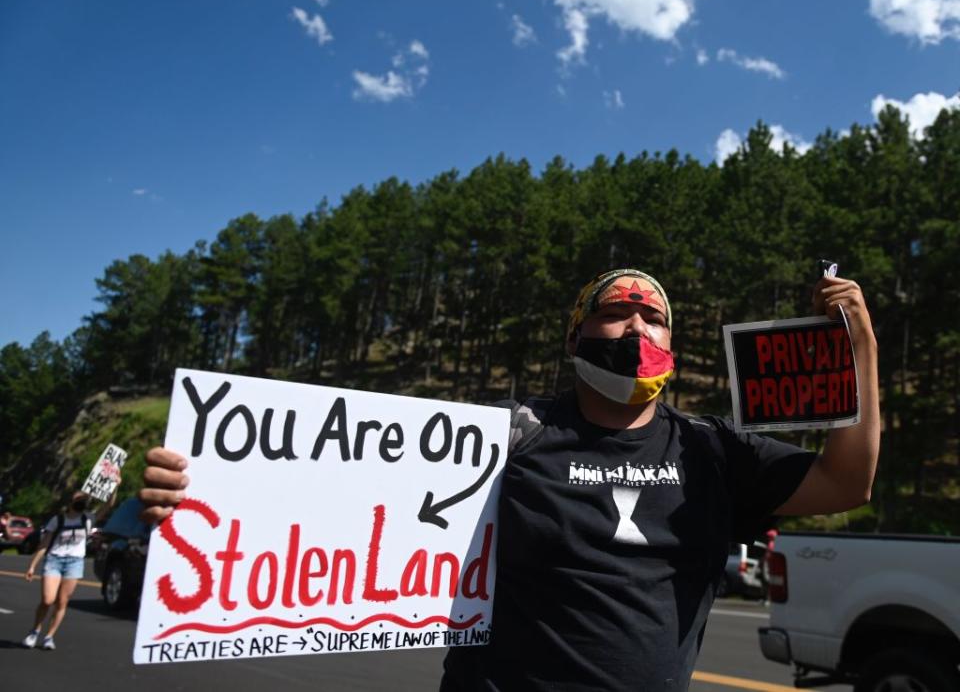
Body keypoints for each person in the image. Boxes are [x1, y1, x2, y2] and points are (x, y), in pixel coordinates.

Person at [140, 268, 880, 691]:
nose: (636, 326)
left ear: (673, 344)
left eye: (652, 317)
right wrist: (202, 491)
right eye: (616, 312)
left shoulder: (713, 450)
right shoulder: (504, 435)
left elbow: (847, 480)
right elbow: (334, 497)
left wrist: (860, 347)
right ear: (575, 337)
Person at [22, 487, 118, 650]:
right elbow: (44, 544)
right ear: (70, 502)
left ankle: (49, 637)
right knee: (48, 600)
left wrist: (115, 487)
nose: (81, 502)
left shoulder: (87, 519)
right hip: (54, 560)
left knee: (62, 602)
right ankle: (34, 631)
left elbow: (108, 505)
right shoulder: (58, 520)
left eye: (84, 500)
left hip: (74, 562)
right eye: (78, 500)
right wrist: (32, 566)